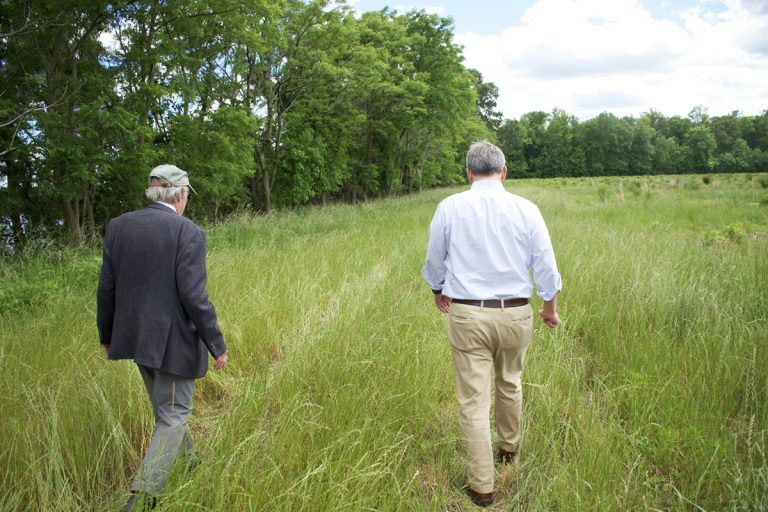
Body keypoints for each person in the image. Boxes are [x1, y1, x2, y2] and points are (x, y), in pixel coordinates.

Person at [421, 141, 561, 507]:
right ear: (504, 171)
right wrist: (549, 306)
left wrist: (438, 290)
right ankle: (508, 452)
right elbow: (545, 263)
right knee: (510, 382)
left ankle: (482, 486)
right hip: (517, 313)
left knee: (473, 400)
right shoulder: (527, 209)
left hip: (467, 314)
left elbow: (435, 259)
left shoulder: (450, 207)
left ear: (468, 172)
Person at [97, 164, 229, 511]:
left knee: (167, 411)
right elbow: (194, 297)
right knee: (174, 414)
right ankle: (141, 498)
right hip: (173, 344)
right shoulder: (188, 232)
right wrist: (217, 343)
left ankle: (191, 463)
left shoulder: (118, 227)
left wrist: (107, 334)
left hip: (136, 339)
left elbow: (107, 288)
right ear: (180, 194)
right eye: (187, 196)